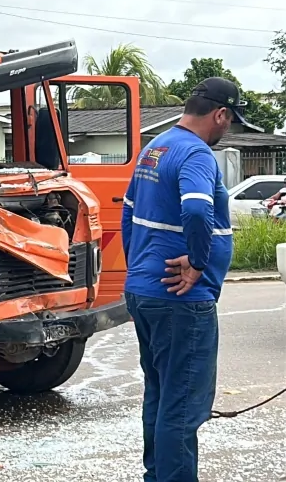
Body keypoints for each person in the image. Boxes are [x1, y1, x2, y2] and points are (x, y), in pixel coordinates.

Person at [120, 77, 244, 482]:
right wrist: (199, 263)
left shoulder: (154, 148)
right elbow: (195, 211)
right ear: (220, 114)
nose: (227, 129)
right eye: (230, 121)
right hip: (180, 300)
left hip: (146, 292)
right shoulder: (195, 154)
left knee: (160, 395)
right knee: (183, 405)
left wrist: (140, 267)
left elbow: (127, 215)